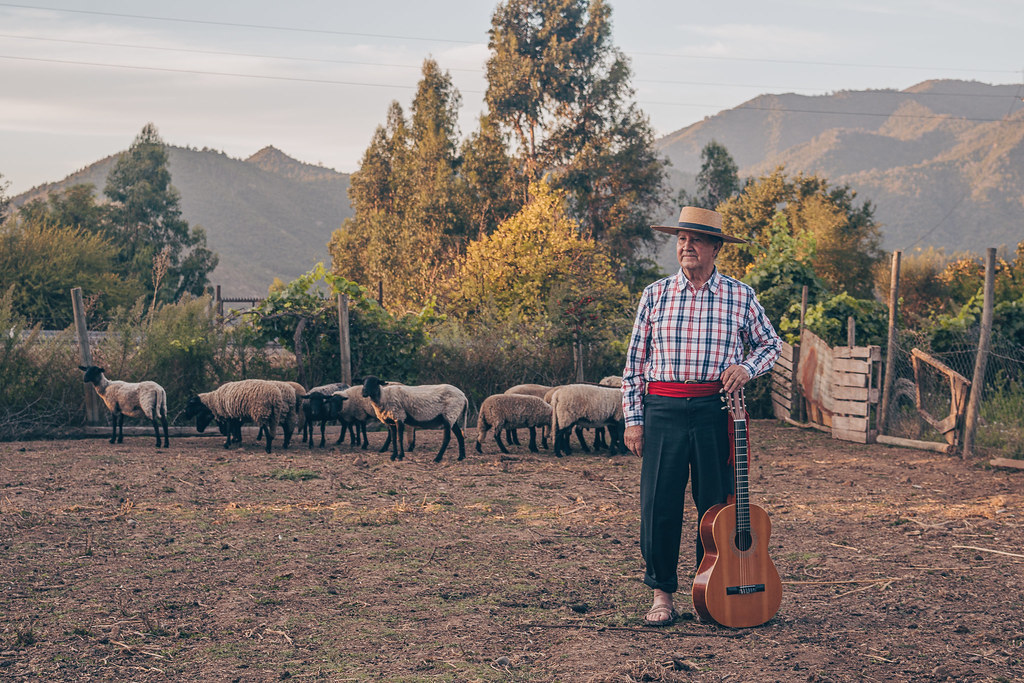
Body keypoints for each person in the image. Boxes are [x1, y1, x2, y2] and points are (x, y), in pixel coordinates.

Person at [621, 206, 781, 627]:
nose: (686, 246)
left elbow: (771, 345)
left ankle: (707, 589)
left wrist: (746, 367)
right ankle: (661, 594)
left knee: (715, 505)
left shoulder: (740, 295)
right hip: (663, 409)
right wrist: (633, 420)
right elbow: (635, 364)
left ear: (715, 248)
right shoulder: (655, 294)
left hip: (716, 409)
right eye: (681, 239)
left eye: (695, 240)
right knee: (659, 504)